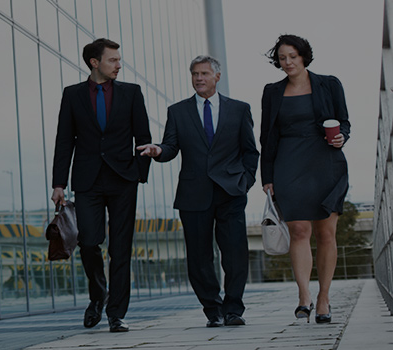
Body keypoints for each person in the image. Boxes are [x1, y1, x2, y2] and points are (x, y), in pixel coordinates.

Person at [137, 55, 259, 327]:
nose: (199, 78)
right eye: (195, 74)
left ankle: (233, 310)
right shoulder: (177, 111)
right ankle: (213, 310)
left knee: (235, 253)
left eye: (204, 73)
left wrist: (245, 181)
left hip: (231, 191)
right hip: (194, 193)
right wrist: (157, 151)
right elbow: (170, 148)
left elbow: (250, 151)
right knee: (199, 257)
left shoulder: (239, 109)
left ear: (217, 76)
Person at [51, 38, 151, 332]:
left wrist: (139, 173)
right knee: (89, 242)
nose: (119, 65)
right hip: (87, 180)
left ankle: (116, 313)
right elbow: (64, 140)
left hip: (123, 179)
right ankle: (98, 295)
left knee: (121, 249)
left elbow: (142, 136)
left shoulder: (132, 93)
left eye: (119, 60)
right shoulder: (72, 95)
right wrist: (59, 182)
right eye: (113, 60)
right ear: (95, 63)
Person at [260, 34, 350, 324]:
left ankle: (324, 298)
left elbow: (344, 122)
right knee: (299, 230)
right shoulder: (272, 91)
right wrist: (267, 176)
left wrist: (342, 138)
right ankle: (304, 295)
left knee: (326, 233)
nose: (287, 62)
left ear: (303, 57)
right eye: (282, 57)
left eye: (292, 57)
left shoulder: (329, 84)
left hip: (326, 162)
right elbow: (266, 137)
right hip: (288, 163)